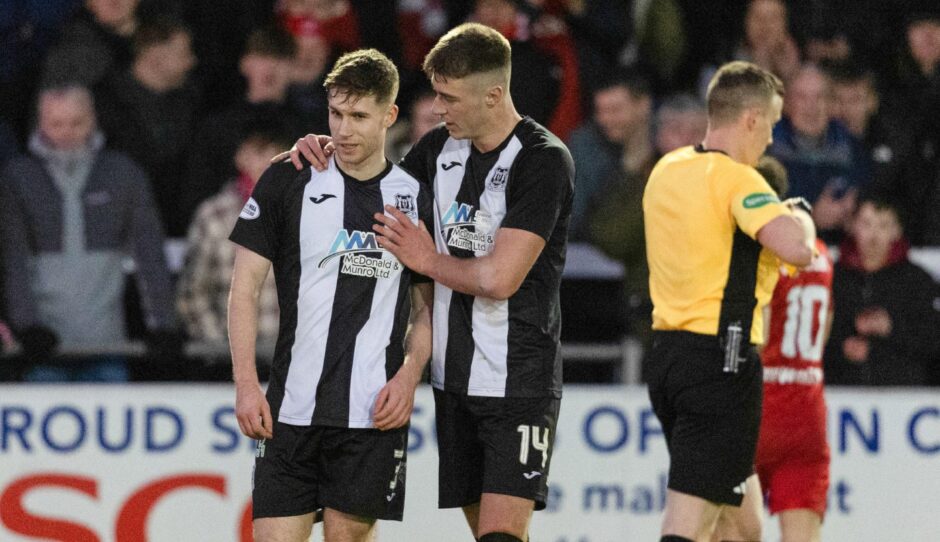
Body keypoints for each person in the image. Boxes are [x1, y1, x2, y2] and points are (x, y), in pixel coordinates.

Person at [284, 22, 574, 542]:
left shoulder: (542, 159)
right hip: (452, 380)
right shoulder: (438, 149)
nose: (437, 108)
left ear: (493, 95)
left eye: (449, 97)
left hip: (519, 381)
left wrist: (425, 257)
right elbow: (376, 184)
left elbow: (500, 278)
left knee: (500, 536)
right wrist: (330, 147)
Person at [228, 49, 434, 542]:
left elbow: (428, 309)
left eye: (359, 116)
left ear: (389, 116)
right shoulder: (289, 177)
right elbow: (244, 288)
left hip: (369, 416)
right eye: (336, 114)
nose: (343, 130)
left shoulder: (415, 197)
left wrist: (408, 378)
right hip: (289, 412)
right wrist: (246, 384)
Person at [643, 61, 814, 542]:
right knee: (689, 524)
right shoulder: (740, 181)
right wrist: (797, 217)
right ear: (751, 120)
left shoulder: (667, 170)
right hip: (723, 361)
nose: (772, 139)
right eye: (773, 124)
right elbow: (796, 249)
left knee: (742, 528)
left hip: (668, 359)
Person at [0, 83, 176, 382]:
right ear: (40, 123)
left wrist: (163, 325)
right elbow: (13, 259)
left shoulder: (123, 174)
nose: (66, 132)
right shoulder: (18, 179)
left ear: (93, 119)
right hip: (42, 349)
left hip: (108, 345)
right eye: (56, 124)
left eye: (76, 122)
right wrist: (26, 326)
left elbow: (149, 255)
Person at [753, 155, 833, 542]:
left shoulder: (765, 251)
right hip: (807, 407)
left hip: (757, 406)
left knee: (726, 531)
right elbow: (825, 328)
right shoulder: (820, 253)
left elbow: (761, 335)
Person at [177, 130, 291, 347]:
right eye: (259, 152)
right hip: (228, 360)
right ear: (240, 157)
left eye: (278, 153)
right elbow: (193, 293)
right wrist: (222, 347)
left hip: (292, 361)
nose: (269, 160)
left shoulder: (307, 212)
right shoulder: (214, 215)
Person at [823, 197, 940, 386]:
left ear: (897, 231)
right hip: (839, 397)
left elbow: (933, 339)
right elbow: (809, 333)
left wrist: (891, 327)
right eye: (866, 224)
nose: (874, 235)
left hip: (903, 400)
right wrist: (841, 348)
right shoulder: (831, 278)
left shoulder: (918, 281)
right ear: (852, 226)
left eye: (883, 225)